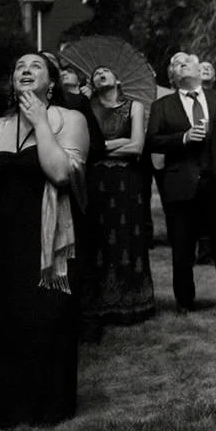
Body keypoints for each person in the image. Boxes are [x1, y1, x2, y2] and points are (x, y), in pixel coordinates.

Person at [0, 52, 89, 429]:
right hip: (1, 241)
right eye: (19, 67)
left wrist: (40, 119)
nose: (25, 70)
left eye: (35, 66)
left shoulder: (69, 119)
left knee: (46, 320)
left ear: (52, 83)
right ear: (12, 80)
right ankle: (13, 408)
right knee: (8, 323)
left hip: (47, 243)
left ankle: (50, 409)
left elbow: (60, 173)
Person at [148, 52, 216, 311]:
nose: (181, 65)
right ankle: (184, 300)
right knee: (182, 246)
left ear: (198, 70)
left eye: (186, 62)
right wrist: (183, 137)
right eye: (176, 65)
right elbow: (152, 140)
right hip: (181, 185)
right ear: (172, 77)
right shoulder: (162, 106)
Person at [79, 66, 155, 332]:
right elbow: (83, 145)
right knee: (96, 237)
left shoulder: (134, 107)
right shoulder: (85, 107)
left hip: (126, 182)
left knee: (125, 236)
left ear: (118, 79)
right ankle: (97, 304)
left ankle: (132, 301)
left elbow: (137, 146)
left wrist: (100, 147)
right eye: (96, 73)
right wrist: (115, 144)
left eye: (106, 72)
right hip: (94, 180)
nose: (100, 74)